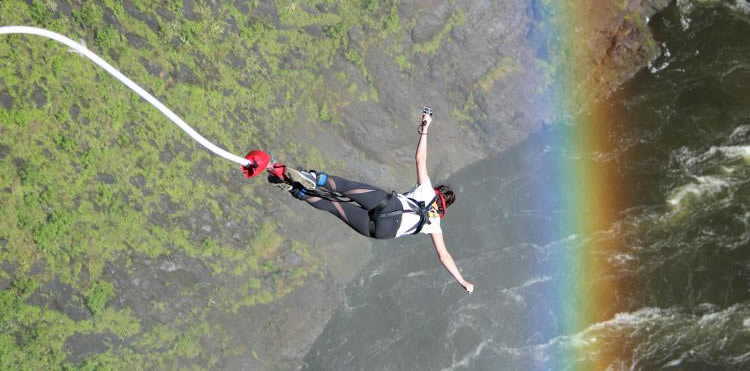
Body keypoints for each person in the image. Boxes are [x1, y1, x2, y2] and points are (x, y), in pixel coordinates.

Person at [269, 110, 474, 294]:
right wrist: (463, 281)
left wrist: (425, 127)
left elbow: (420, 159)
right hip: (381, 231)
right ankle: (297, 191)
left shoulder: (427, 191)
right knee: (335, 206)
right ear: (445, 208)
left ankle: (313, 179)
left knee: (345, 188)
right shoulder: (435, 225)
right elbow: (444, 256)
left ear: (439, 192)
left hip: (390, 205)